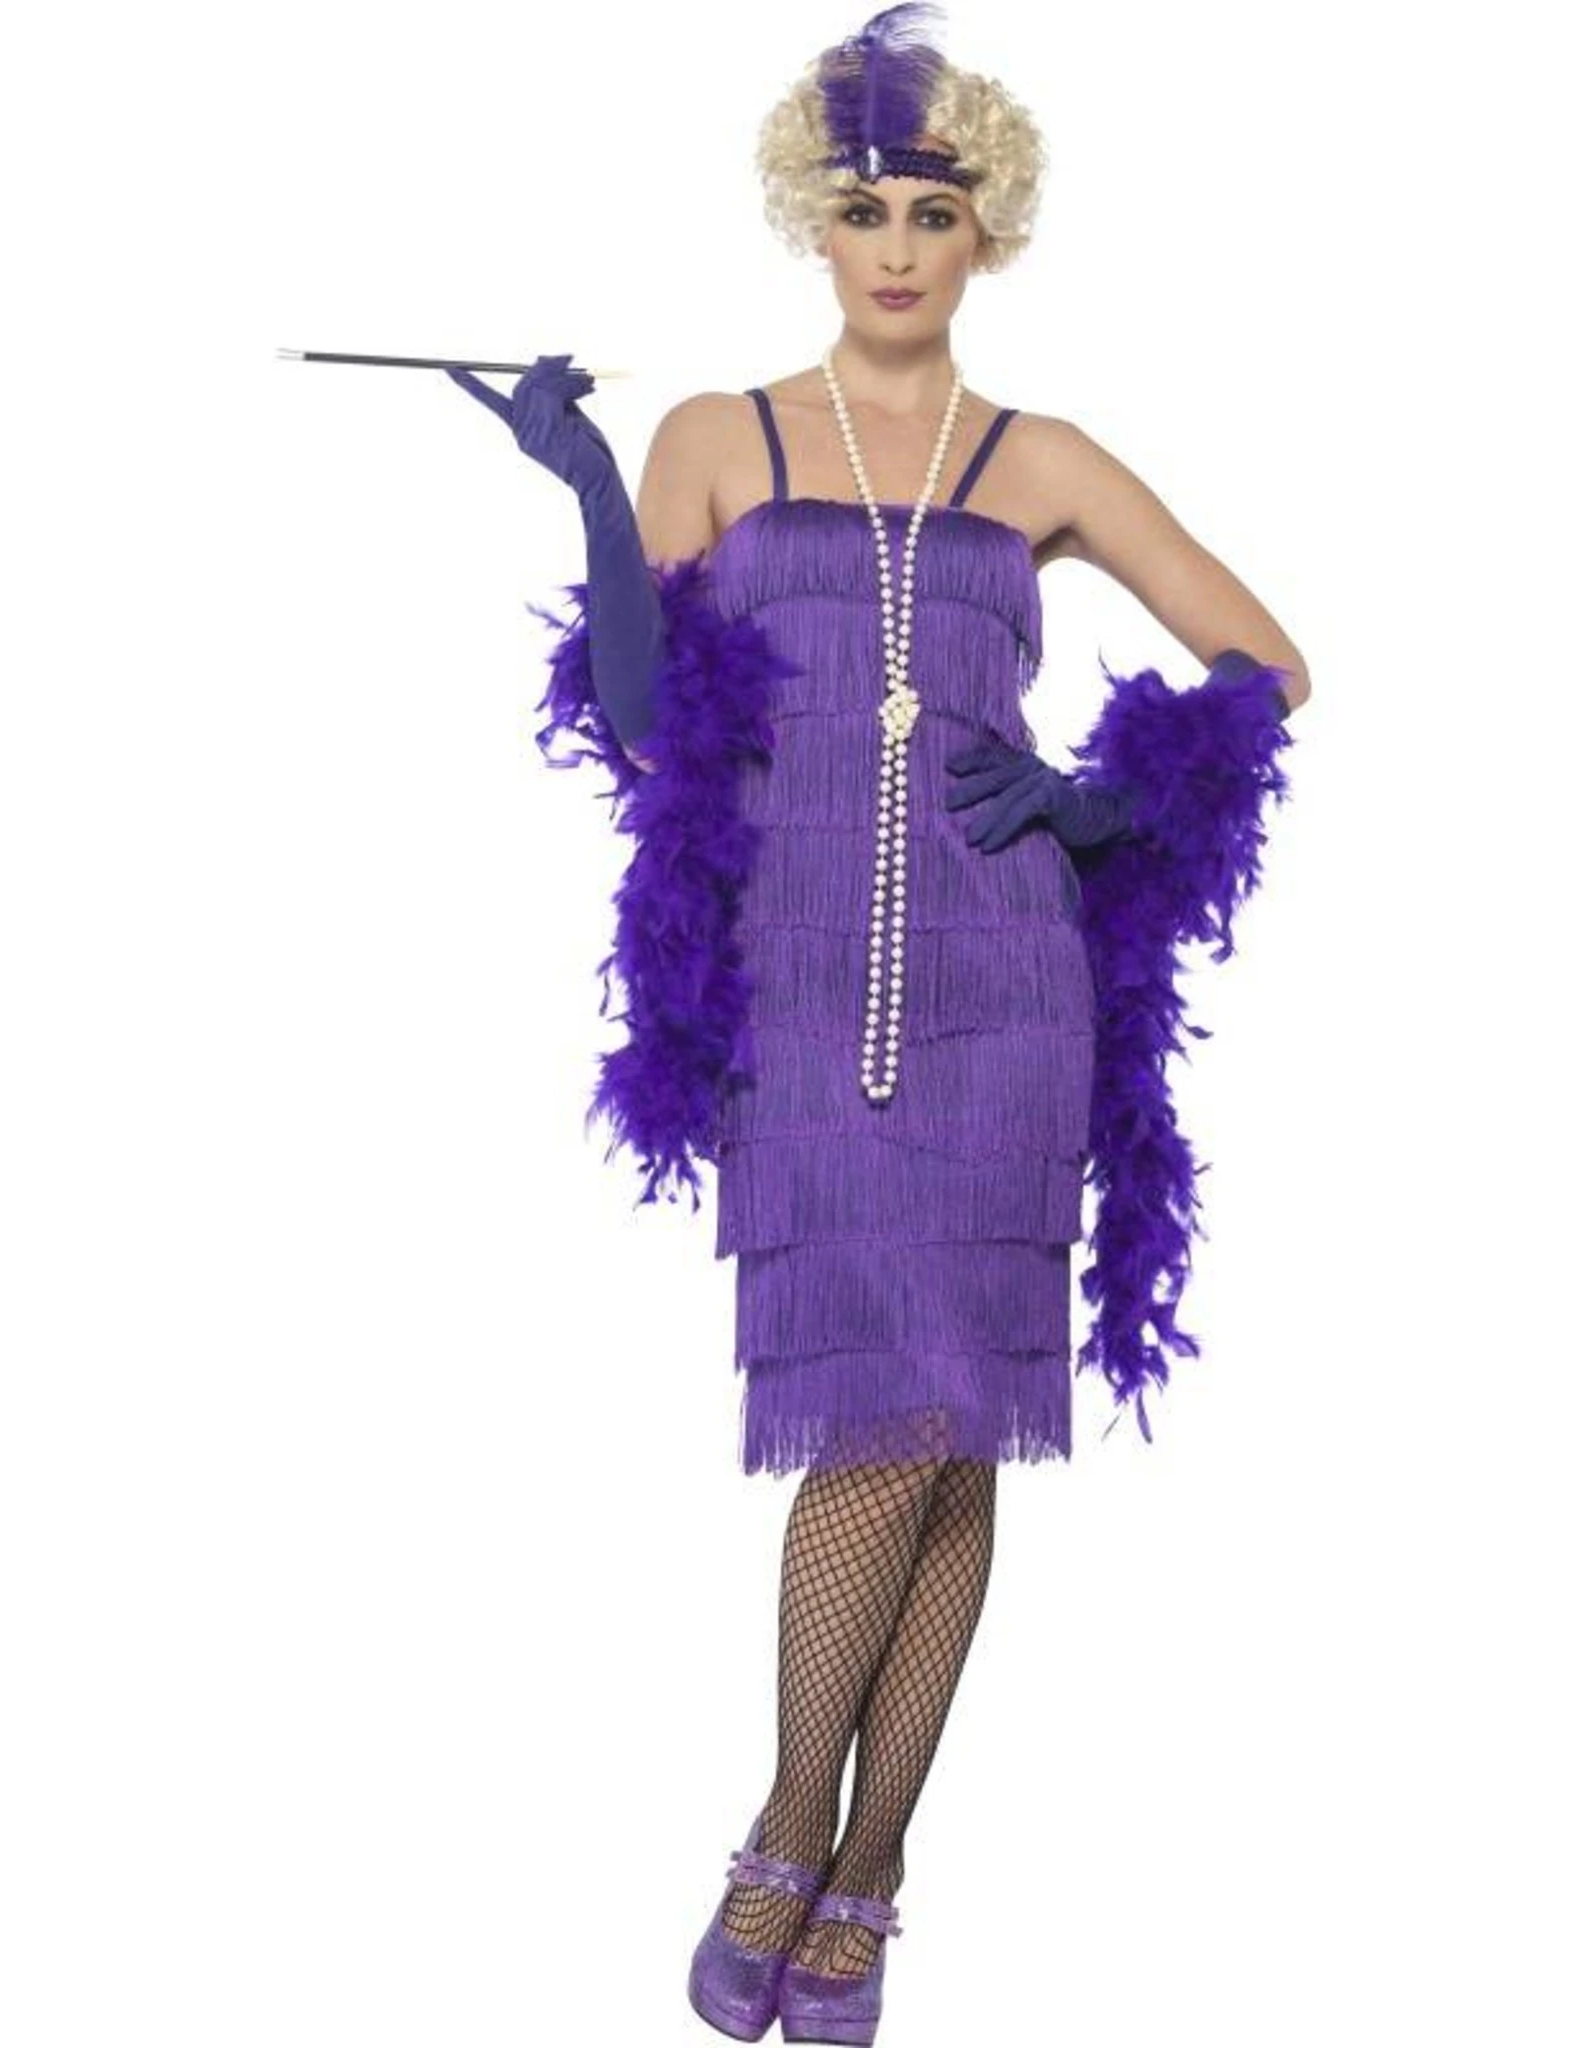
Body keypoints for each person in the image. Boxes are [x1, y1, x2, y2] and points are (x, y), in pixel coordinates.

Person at [447, 6, 1303, 2039]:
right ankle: (802, 1838)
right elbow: (648, 722)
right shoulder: (718, 437)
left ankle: (850, 1867)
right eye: (862, 210)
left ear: (986, 231)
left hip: (1010, 987)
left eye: (933, 211)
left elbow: (1265, 659)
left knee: (954, 1432)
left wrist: (1095, 803)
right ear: (811, 227)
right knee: (880, 1424)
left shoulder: (1045, 462)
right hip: (794, 980)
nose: (897, 247)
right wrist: (592, 501)